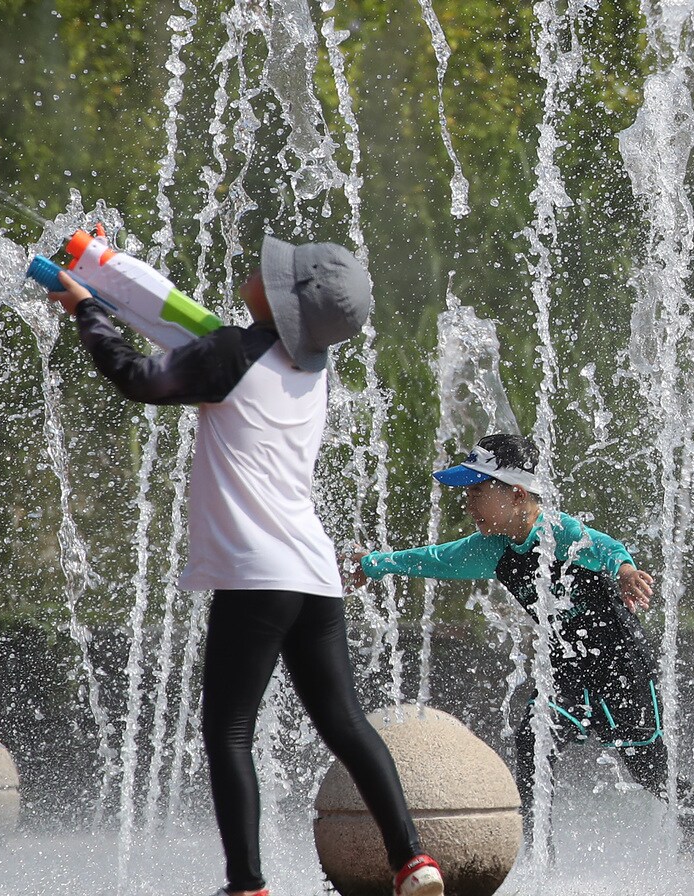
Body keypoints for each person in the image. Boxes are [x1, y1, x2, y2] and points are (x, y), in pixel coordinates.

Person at [47, 237, 443, 896]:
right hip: (313, 572)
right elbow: (180, 325)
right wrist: (110, 274)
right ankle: (412, 861)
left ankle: (247, 885)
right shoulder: (309, 369)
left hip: (256, 576)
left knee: (228, 731)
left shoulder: (232, 353)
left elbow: (138, 378)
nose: (258, 271)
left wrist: (88, 309)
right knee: (345, 723)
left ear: (288, 304)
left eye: (273, 274)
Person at [357, 433, 694, 863]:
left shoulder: (559, 533)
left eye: (477, 491)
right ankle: (538, 860)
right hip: (566, 666)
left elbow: (605, 547)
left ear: (516, 494)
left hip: (621, 663)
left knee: (645, 763)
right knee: (534, 740)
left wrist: (625, 571)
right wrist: (372, 565)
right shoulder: (494, 549)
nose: (469, 503)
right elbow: (437, 558)